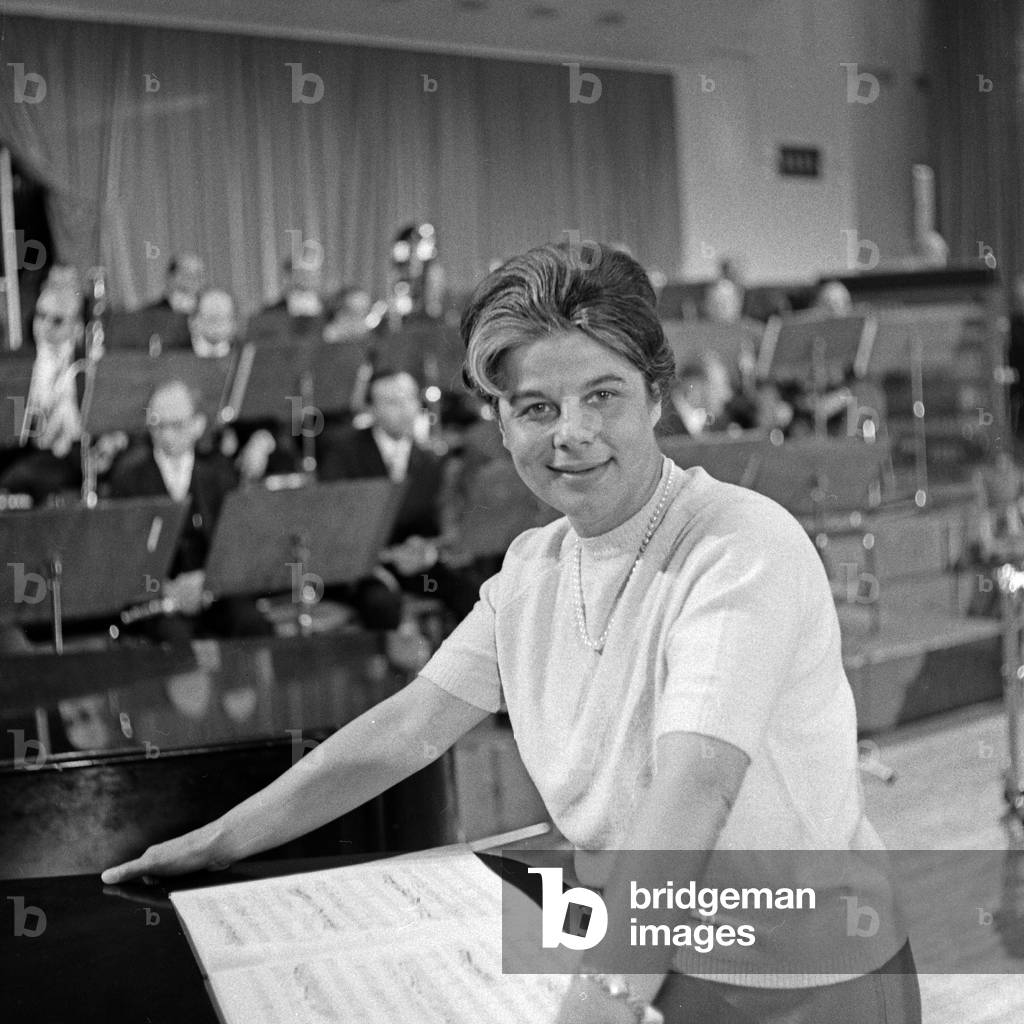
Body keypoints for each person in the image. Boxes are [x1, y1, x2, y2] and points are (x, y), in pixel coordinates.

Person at [103, 243, 920, 1023]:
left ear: (656, 396)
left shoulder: (741, 544)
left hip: (803, 977)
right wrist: (222, 839)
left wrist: (596, 1008)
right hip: (647, 955)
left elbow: (697, 785)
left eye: (603, 395)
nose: (571, 432)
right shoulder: (534, 567)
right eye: (537, 408)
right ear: (500, 424)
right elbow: (407, 729)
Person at [107, 379, 270, 640]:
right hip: (157, 598)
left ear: (197, 424)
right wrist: (167, 590)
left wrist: (208, 582)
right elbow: (121, 555)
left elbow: (235, 544)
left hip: (213, 591)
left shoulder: (219, 472)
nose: (166, 436)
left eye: (177, 425)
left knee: (253, 625)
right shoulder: (128, 477)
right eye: (158, 426)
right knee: (177, 641)